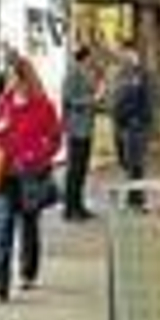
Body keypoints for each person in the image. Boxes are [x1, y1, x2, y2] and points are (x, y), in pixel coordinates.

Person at [0, 56, 64, 300]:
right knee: (2, 226)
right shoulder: (1, 105)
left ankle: (28, 271)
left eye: (15, 77)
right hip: (2, 174)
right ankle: (0, 280)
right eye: (8, 77)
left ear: (26, 78)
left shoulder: (44, 106)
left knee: (28, 225)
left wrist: (33, 156)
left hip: (30, 176)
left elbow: (54, 140)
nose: (11, 82)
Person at [61, 47, 98, 221]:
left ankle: (79, 205)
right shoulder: (72, 73)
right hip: (76, 128)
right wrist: (92, 101)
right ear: (84, 57)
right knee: (74, 170)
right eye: (91, 57)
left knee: (82, 169)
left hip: (86, 127)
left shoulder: (87, 72)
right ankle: (70, 208)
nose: (93, 60)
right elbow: (69, 99)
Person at [109, 43, 153, 180]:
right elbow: (115, 97)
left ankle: (136, 196)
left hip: (134, 123)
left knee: (135, 162)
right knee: (124, 161)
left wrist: (142, 121)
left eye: (126, 55)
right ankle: (133, 192)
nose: (122, 58)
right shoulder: (119, 75)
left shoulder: (140, 75)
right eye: (121, 55)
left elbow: (144, 99)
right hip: (120, 123)